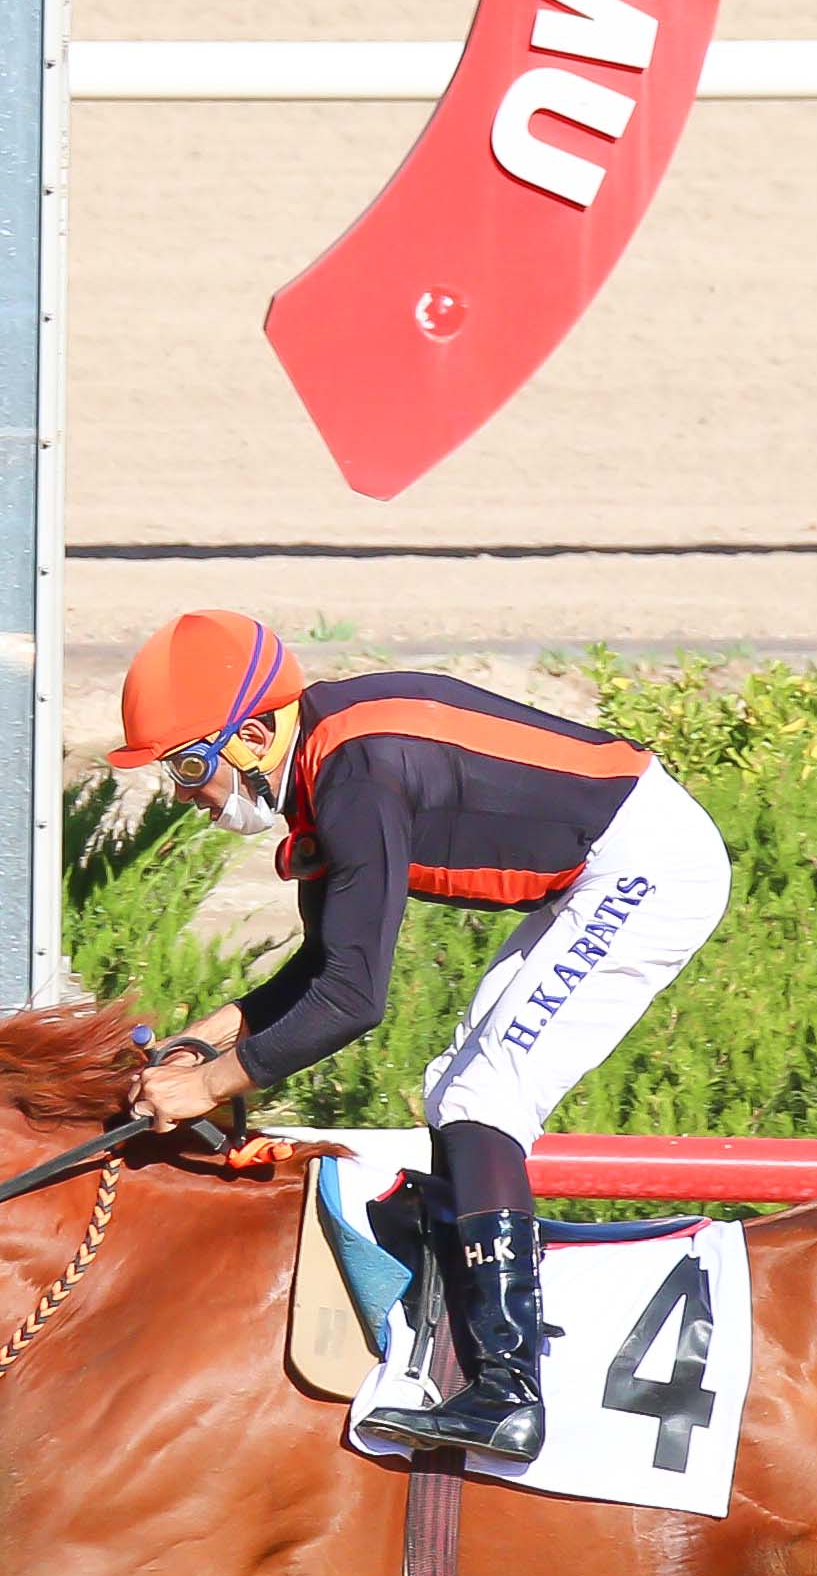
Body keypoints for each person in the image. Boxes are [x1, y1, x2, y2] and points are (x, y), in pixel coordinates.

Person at [112, 610, 728, 1462]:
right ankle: (472, 1341)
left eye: (186, 767)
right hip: (606, 859)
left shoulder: (354, 780)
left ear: (251, 736)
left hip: (646, 866)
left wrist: (210, 1087)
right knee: (456, 1091)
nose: (183, 795)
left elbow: (353, 1001)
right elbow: (323, 966)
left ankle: (509, 1391)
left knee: (485, 1093)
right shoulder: (325, 763)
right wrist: (202, 1046)